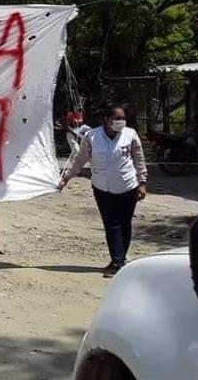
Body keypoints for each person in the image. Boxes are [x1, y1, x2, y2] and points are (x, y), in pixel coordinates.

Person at [59, 102, 148, 277]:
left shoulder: (130, 135)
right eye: (117, 118)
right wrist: (66, 178)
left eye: (123, 118)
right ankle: (117, 261)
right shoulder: (92, 137)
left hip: (128, 186)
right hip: (102, 187)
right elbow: (80, 159)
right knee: (112, 224)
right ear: (106, 119)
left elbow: (139, 159)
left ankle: (120, 259)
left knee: (125, 223)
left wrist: (142, 182)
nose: (121, 121)